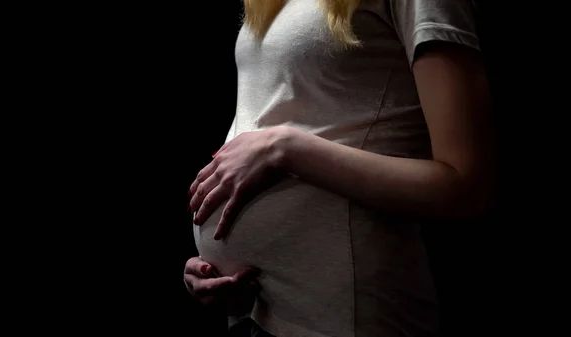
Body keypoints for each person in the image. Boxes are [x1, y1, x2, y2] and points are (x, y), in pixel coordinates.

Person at [183, 0, 494, 336]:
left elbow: (464, 188)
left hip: (350, 314)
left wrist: (286, 148)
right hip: (253, 311)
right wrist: (213, 264)